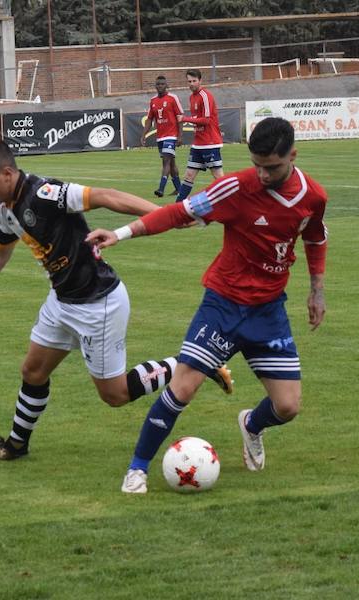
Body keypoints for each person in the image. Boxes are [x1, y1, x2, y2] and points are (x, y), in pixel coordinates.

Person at [0, 138, 232, 462]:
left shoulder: (46, 194)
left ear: (6, 174)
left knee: (115, 395)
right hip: (61, 302)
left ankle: (197, 364)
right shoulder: (6, 211)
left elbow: (106, 196)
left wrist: (167, 214)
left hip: (98, 302)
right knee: (33, 372)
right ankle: (15, 446)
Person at [87, 117, 328, 494]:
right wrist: (119, 234)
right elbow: (178, 213)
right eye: (257, 165)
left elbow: (315, 237)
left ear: (293, 155)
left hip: (269, 312)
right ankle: (138, 469)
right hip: (223, 305)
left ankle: (251, 425)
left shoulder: (314, 197)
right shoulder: (234, 187)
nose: (262, 175)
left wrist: (317, 289)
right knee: (183, 388)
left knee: (288, 407)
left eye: (272, 167)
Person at [174, 69, 223, 202]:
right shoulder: (192, 97)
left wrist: (185, 119)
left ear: (200, 81)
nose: (191, 84)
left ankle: (235, 202)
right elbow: (197, 118)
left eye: (194, 81)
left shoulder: (205, 96)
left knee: (218, 176)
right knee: (189, 175)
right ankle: (177, 207)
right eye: (189, 81)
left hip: (210, 142)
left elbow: (206, 120)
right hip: (198, 143)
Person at [142, 75, 183, 198]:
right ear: (155, 86)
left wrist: (180, 136)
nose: (160, 86)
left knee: (166, 161)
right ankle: (179, 189)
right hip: (160, 137)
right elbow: (149, 119)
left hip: (171, 135)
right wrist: (143, 134)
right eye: (158, 84)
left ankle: (161, 189)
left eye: (162, 84)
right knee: (171, 164)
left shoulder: (172, 98)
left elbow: (180, 117)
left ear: (166, 85)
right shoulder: (153, 101)